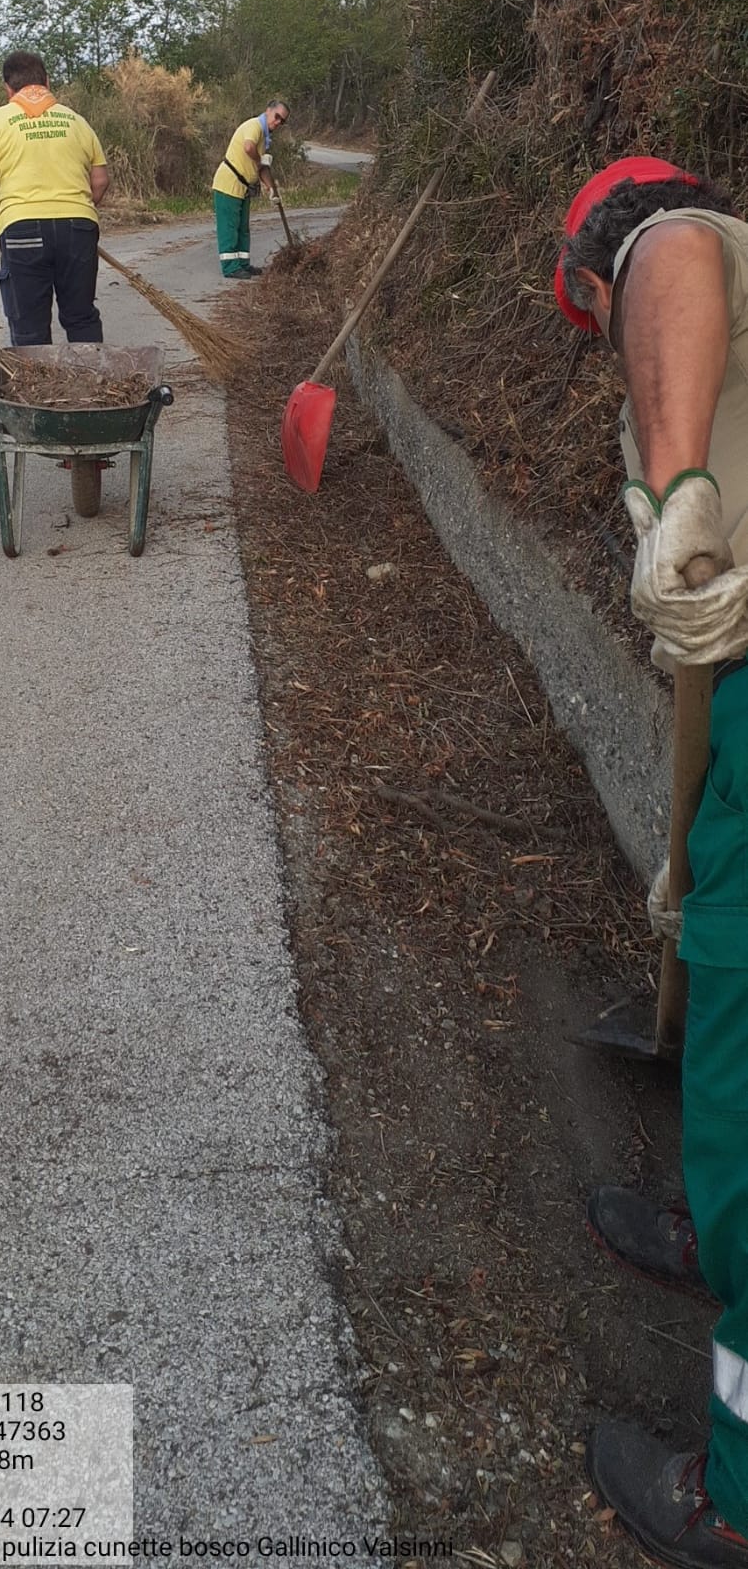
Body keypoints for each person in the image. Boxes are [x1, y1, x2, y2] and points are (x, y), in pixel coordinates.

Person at [554, 156, 748, 1567]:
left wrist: (675, 482)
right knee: (729, 1021)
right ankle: (713, 1228)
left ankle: (731, 1498)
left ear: (585, 269)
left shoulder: (681, 247)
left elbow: (671, 255)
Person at [0, 51, 111, 345]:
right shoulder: (76, 121)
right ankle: (93, 383)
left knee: (29, 323)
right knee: (81, 316)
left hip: (22, 229)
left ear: (8, 89)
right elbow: (99, 181)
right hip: (78, 226)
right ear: (47, 81)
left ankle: (39, 389)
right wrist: (73, 218)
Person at [211, 100, 289, 278]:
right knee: (229, 227)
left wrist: (272, 190)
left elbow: (261, 168)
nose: (278, 122)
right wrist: (261, 159)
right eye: (277, 117)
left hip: (243, 188)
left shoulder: (264, 138)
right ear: (268, 111)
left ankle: (243, 264)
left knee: (242, 228)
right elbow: (248, 148)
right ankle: (230, 267)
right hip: (228, 184)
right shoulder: (254, 126)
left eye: (282, 121)